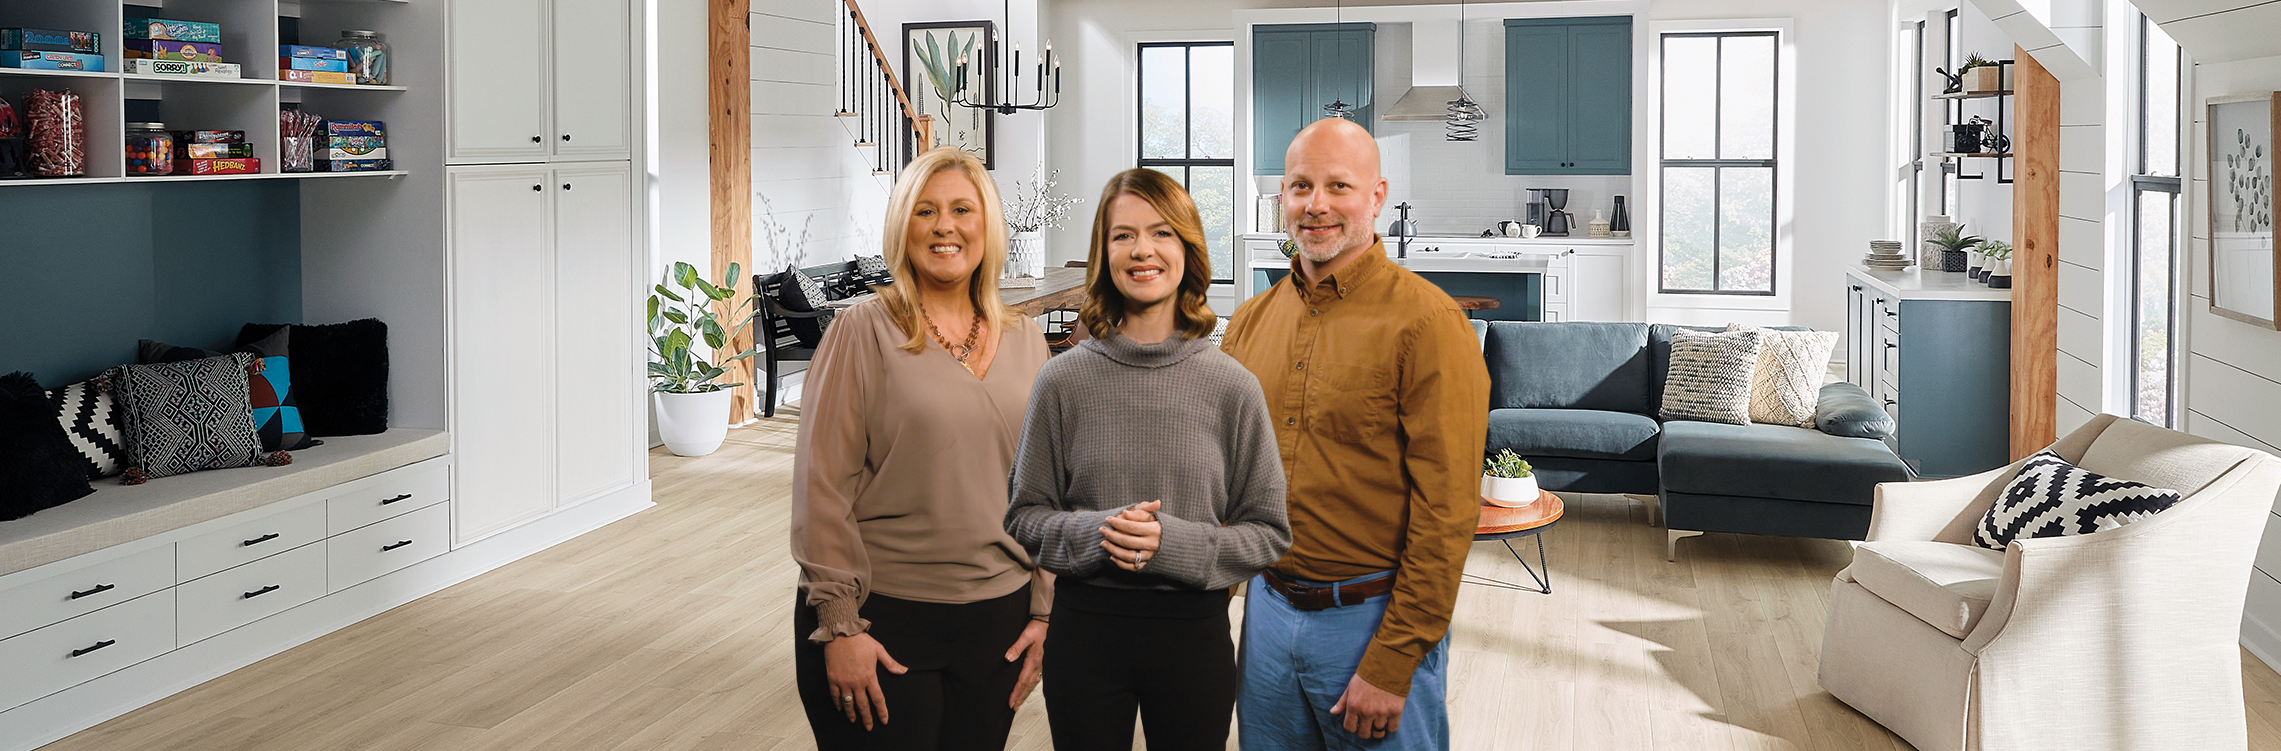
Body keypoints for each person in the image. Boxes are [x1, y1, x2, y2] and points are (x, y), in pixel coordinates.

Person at [1220, 118, 1491, 750]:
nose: (1316, 205)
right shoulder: (1249, 324)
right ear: (1282, 198)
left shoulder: (1429, 325)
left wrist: (1393, 660)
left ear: (1377, 197)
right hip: (1265, 613)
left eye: (1338, 186)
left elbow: (1448, 511)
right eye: (1299, 186)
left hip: (1372, 621)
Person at [1004, 168, 1292, 751]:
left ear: (1188, 249)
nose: (1142, 250)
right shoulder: (1062, 381)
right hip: (1083, 632)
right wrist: (1098, 533)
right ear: (1103, 253)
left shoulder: (1232, 387)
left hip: (1194, 634)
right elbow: (1024, 516)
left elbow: (1269, 533)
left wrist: (1171, 544)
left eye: (1162, 233)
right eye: (1122, 235)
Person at [791, 146, 1053, 751]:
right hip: (882, 616)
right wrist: (840, 627)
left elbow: (1048, 489)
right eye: (925, 211)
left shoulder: (1026, 340)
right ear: (901, 226)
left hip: (999, 622)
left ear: (987, 224)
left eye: (963, 209)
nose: (945, 226)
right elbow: (821, 487)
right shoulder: (861, 330)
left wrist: (1044, 612)